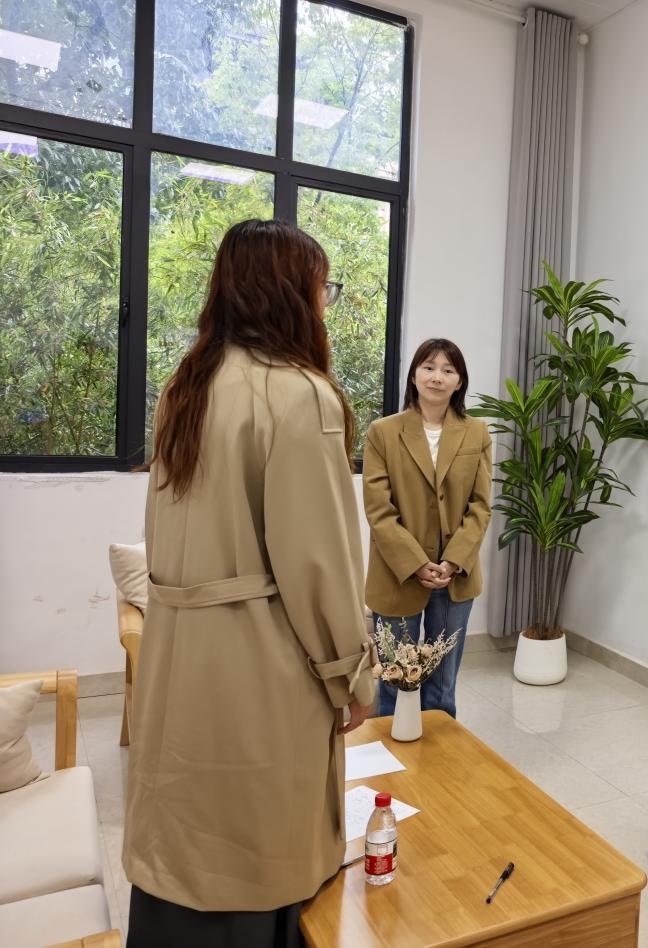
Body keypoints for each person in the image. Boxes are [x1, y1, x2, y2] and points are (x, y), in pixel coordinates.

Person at [124, 219, 374, 947]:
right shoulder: (301, 395)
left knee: (184, 835)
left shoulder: (186, 387)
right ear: (290, 292)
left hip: (178, 657)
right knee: (255, 843)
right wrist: (351, 675)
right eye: (323, 287)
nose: (326, 303)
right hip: (259, 662)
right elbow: (319, 562)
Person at [362, 338, 492, 718]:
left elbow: (480, 506)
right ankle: (394, 754)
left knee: (442, 687)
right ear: (414, 376)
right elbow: (379, 511)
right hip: (398, 574)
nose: (437, 377)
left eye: (448, 370)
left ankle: (440, 754)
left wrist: (452, 561)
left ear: (459, 381)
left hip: (456, 577)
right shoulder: (383, 432)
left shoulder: (477, 433)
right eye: (429, 367)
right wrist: (417, 563)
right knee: (393, 683)